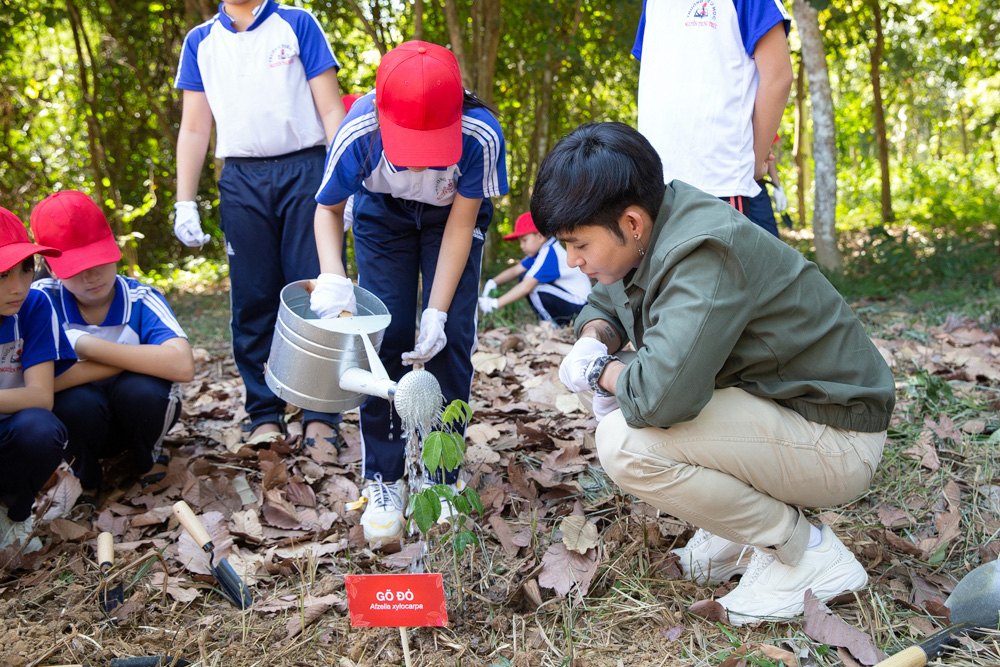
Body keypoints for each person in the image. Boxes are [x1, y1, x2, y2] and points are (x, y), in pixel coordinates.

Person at [532, 122, 895, 626]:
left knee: (625, 442)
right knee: (638, 398)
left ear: (632, 223)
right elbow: (603, 303)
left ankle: (805, 552)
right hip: (784, 409)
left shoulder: (703, 252)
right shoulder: (652, 229)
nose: (572, 261)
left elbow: (660, 399)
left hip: (838, 439)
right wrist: (594, 339)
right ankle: (737, 535)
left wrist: (602, 372)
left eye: (579, 245)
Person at [309, 41, 508, 543]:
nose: (420, 165)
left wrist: (437, 311)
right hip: (382, 219)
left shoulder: (479, 135)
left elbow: (462, 227)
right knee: (385, 332)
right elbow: (328, 209)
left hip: (450, 223)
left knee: (452, 338)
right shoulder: (359, 130)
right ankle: (383, 476)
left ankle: (442, 477)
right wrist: (333, 276)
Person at [172, 0, 347, 446]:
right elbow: (194, 127)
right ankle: (264, 413)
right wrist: (184, 201)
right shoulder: (201, 41)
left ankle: (321, 416)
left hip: (305, 170)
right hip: (241, 177)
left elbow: (331, 110)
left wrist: (344, 184)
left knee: (316, 292)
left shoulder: (297, 23)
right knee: (252, 299)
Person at [30, 191, 195, 500]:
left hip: (138, 417)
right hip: (81, 425)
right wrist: (136, 358)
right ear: (52, 269)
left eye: (98, 260)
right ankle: (86, 476)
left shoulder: (140, 298)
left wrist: (86, 345)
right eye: (76, 268)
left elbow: (182, 366)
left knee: (142, 390)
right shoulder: (40, 301)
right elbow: (39, 384)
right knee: (74, 402)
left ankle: (146, 460)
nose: (91, 276)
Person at [633, 0, 793, 237]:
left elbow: (778, 76)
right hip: (655, 184)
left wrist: (754, 160)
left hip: (717, 182)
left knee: (715, 273)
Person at [0, 207, 73, 553]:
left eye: (26, 269)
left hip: (13, 429)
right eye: (2, 275)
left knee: (42, 428)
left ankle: (14, 514)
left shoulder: (35, 304)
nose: (17, 287)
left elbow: (41, 396)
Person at [478, 212, 591, 326]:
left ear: (540, 237)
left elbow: (525, 287)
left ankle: (551, 326)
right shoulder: (542, 251)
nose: (522, 245)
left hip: (580, 305)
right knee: (524, 277)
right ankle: (553, 323)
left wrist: (495, 303)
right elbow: (516, 270)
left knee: (534, 287)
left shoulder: (549, 252)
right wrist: (493, 282)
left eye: (525, 240)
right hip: (572, 301)